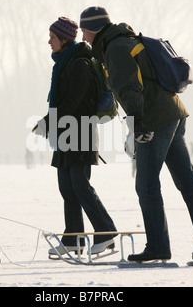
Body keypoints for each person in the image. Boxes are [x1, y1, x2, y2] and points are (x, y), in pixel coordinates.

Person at [79, 6, 193, 261]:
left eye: (84, 32)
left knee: (146, 185)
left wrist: (137, 125)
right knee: (188, 183)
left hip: (155, 119)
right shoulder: (124, 40)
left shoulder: (114, 48)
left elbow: (131, 88)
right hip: (173, 114)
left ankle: (158, 247)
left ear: (94, 29)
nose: (83, 38)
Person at [33, 17, 117, 256]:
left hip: (80, 132)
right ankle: (74, 239)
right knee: (67, 187)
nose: (49, 42)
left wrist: (49, 120)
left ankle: (106, 232)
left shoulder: (79, 63)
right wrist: (49, 121)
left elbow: (75, 102)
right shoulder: (64, 63)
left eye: (52, 37)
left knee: (80, 186)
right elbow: (64, 103)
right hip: (67, 133)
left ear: (63, 39)